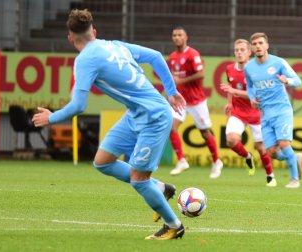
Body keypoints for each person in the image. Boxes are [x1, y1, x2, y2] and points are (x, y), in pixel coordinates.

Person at [32, 9, 187, 240]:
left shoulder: (84, 60)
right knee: (102, 162)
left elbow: (78, 106)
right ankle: (162, 190)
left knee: (138, 179)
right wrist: (172, 92)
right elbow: (155, 55)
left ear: (70, 38)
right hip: (136, 114)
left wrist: (51, 117)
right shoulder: (115, 45)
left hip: (154, 116)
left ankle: (174, 225)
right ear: (94, 32)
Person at [245, 32, 302, 188]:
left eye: (260, 43)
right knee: (271, 152)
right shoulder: (249, 67)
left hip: (282, 110)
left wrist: (287, 80)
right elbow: (250, 87)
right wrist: (252, 98)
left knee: (284, 143)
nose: (258, 46)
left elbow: (298, 81)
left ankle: (294, 179)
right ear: (251, 47)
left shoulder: (278, 63)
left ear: (266, 45)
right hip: (264, 113)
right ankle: (294, 158)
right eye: (255, 44)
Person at [167, 26, 223, 179]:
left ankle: (216, 161)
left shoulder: (193, 54)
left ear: (186, 38)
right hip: (180, 100)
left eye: (179, 35)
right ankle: (181, 160)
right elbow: (172, 79)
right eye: (174, 35)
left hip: (196, 100)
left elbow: (201, 74)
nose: (177, 37)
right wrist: (171, 93)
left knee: (204, 132)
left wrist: (181, 80)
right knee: (171, 127)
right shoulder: (172, 57)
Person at [219, 39, 275, 185]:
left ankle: (270, 176)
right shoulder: (230, 68)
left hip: (256, 114)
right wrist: (230, 102)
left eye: (242, 50)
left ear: (249, 52)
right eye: (237, 50)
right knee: (231, 140)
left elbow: (257, 95)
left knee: (261, 148)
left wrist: (233, 91)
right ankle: (247, 156)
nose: (239, 52)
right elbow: (230, 87)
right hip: (238, 112)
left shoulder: (257, 70)